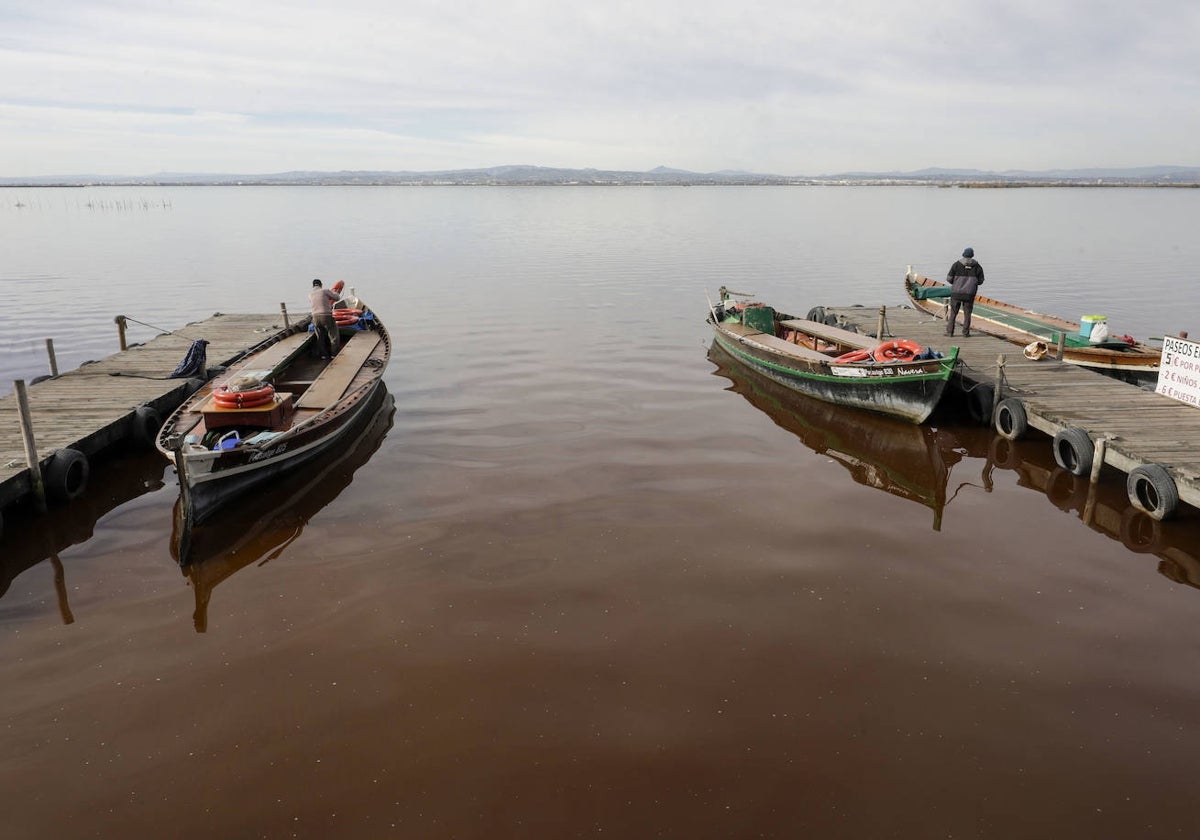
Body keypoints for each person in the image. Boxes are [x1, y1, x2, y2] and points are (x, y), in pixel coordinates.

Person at [945, 247, 985, 337]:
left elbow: (949, 279)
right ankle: (965, 333)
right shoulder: (977, 266)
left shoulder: (956, 265)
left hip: (956, 293)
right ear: (972, 255)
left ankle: (950, 332)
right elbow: (980, 281)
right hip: (969, 294)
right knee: (967, 314)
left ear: (963, 254)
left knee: (953, 313)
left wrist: (955, 283)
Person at [309, 278, 340, 357]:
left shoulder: (310, 295)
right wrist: (336, 292)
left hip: (315, 317)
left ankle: (323, 355)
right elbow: (337, 298)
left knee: (320, 337)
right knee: (333, 335)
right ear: (321, 285)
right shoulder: (325, 291)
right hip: (326, 316)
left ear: (312, 286)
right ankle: (334, 354)